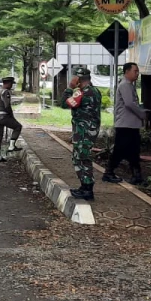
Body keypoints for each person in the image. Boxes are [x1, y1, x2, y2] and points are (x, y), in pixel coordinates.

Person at [103, 62, 149, 185]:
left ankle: (136, 175)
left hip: (131, 125)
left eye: (138, 71)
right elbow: (129, 103)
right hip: (125, 125)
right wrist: (141, 114)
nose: (137, 74)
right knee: (120, 150)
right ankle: (109, 172)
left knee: (134, 151)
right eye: (135, 71)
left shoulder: (129, 85)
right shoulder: (125, 85)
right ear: (127, 71)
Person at [64, 67, 102, 202]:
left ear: (79, 79)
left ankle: (87, 189)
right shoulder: (95, 91)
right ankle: (84, 186)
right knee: (79, 156)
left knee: (82, 157)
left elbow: (65, 103)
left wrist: (69, 88)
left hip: (84, 130)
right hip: (87, 129)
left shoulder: (83, 93)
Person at [0, 76, 22, 161]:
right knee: (17, 126)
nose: (12, 85)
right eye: (11, 84)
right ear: (7, 83)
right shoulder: (6, 92)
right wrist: (11, 116)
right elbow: (7, 106)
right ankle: (12, 146)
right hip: (2, 116)